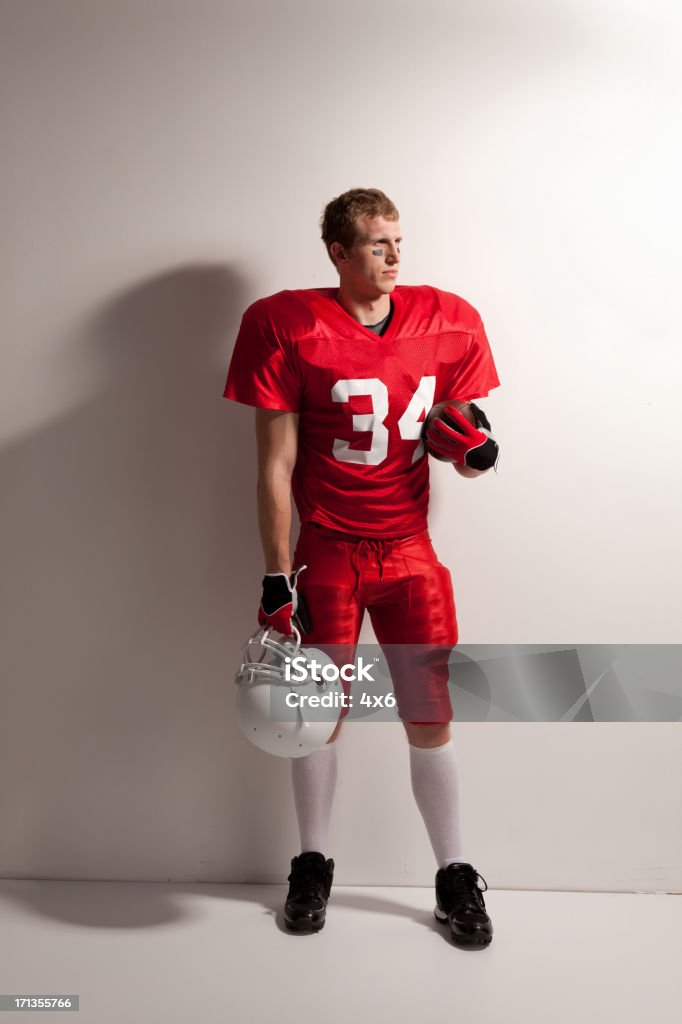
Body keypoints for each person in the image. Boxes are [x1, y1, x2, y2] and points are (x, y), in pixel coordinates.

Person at [223, 187, 501, 948]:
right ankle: (312, 863)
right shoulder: (284, 324)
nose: (393, 256)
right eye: (377, 244)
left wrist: (470, 450)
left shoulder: (446, 317)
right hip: (331, 551)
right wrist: (277, 575)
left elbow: (470, 447)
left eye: (398, 242)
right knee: (314, 723)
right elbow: (273, 468)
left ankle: (454, 875)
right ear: (338, 253)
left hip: (409, 549)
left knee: (430, 716)